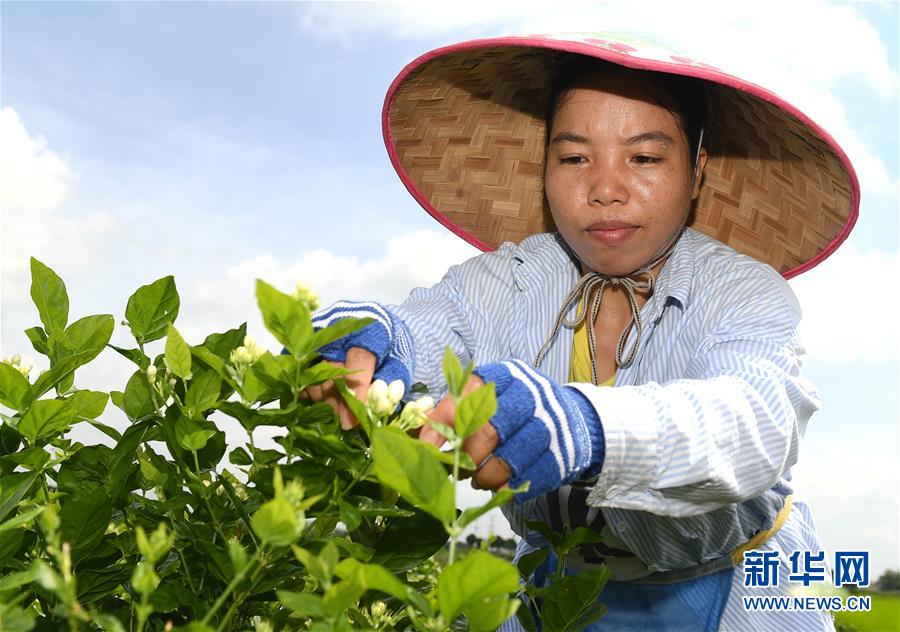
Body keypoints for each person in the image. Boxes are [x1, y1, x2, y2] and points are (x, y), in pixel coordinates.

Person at [305, 33, 858, 631]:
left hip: (734, 583)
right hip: (554, 583)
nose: (605, 189)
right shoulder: (513, 278)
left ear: (696, 170)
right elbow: (430, 325)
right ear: (543, 166)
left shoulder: (742, 290)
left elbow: (755, 419)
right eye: (574, 158)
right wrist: (368, 336)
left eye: (644, 158)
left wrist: (588, 423)